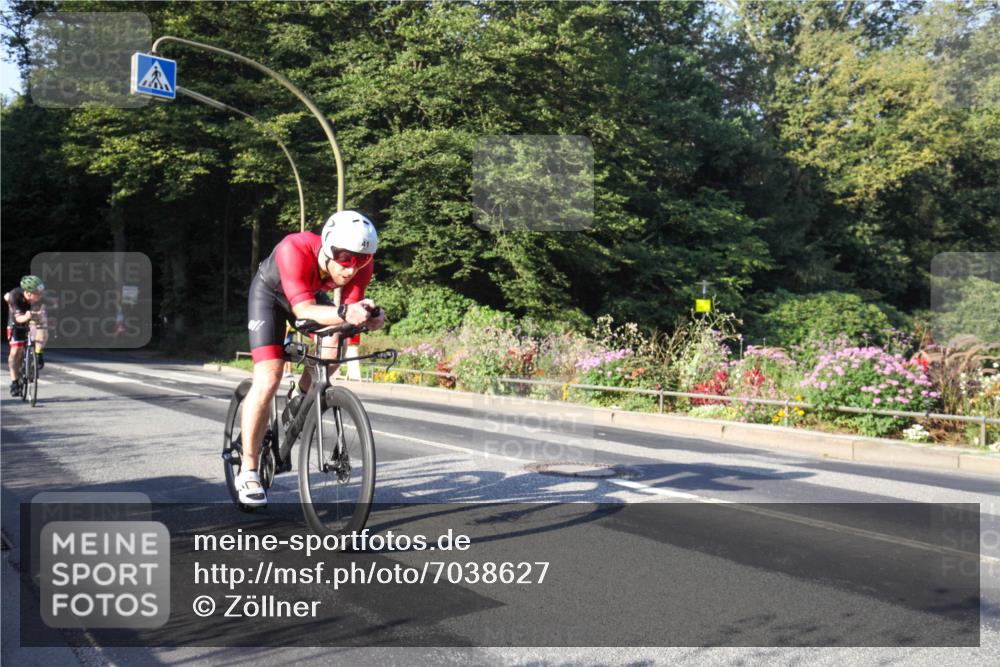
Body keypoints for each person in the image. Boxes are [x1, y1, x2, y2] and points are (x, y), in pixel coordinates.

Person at [238, 210, 385, 507]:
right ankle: (248, 469)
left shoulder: (360, 267)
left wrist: (369, 318)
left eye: (362, 259)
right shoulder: (295, 248)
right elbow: (304, 311)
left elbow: (348, 316)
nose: (350, 268)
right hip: (271, 296)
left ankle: (302, 394)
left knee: (332, 349)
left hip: (308, 296)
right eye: (344, 257)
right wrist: (346, 313)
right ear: (329, 247)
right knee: (269, 377)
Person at [5, 275, 47, 397]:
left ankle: (38, 354)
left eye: (41, 293)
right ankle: (14, 382)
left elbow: (43, 319)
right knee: (15, 351)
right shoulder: (15, 296)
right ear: (28, 293)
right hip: (17, 320)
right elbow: (19, 318)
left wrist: (40, 317)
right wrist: (27, 316)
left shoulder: (42, 298)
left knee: (41, 329)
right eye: (37, 293)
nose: (40, 296)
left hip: (33, 317)